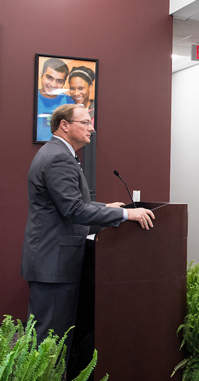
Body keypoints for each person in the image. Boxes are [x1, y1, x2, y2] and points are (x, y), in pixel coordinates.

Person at [21, 104, 155, 356]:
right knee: (50, 337)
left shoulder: (56, 152)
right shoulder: (58, 157)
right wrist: (126, 213)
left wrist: (105, 207)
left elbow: (69, 205)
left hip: (53, 262)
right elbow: (73, 210)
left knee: (51, 334)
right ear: (64, 125)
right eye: (85, 122)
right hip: (54, 264)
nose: (91, 128)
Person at [36, 58, 73, 142]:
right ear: (41, 75)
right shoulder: (30, 98)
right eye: (49, 78)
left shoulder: (70, 102)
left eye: (59, 81)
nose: (53, 84)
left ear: (64, 83)